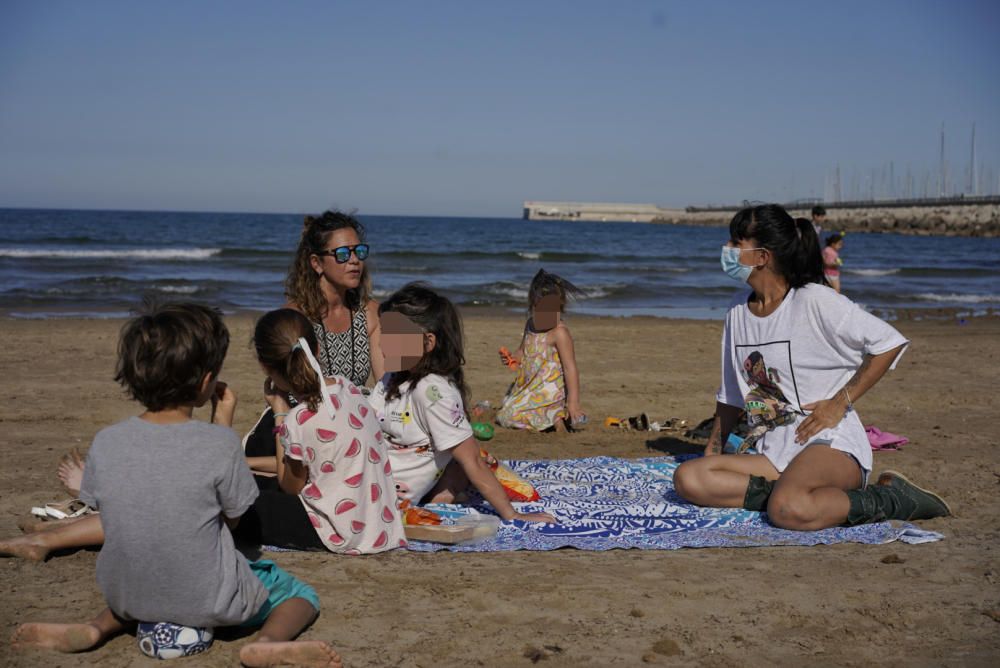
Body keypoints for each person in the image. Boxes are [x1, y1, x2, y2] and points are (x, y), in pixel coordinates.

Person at [4, 303, 339, 667]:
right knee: (297, 593)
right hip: (212, 599)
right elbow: (233, 519)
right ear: (206, 382)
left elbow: (111, 508)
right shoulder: (219, 444)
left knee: (148, 573)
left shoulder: (107, 441)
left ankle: (95, 628)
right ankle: (270, 642)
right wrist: (221, 422)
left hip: (128, 594)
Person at [673, 204, 950, 531]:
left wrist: (839, 403)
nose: (728, 251)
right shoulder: (737, 310)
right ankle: (790, 493)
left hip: (830, 445)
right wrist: (713, 450)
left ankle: (893, 498)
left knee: (788, 510)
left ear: (763, 256)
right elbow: (732, 395)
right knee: (690, 478)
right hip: (775, 454)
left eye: (737, 243)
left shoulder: (813, 300)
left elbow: (888, 343)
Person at [369, 283, 556, 523]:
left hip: (381, 493)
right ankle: (441, 497)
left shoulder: (431, 392)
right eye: (384, 333)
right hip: (375, 481)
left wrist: (512, 514)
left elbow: (472, 461)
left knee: (465, 455)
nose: (383, 343)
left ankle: (441, 497)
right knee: (461, 453)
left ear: (428, 342)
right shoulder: (392, 377)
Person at [239, 308, 406, 553]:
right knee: (256, 485)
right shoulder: (348, 387)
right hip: (379, 524)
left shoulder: (298, 419)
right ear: (317, 350)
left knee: (239, 504)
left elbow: (291, 486)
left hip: (337, 530)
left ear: (265, 367)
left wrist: (279, 411)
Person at [243, 210, 384, 462]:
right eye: (342, 254)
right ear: (316, 263)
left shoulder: (370, 313)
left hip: (356, 423)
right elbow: (290, 396)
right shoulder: (294, 319)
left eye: (358, 251)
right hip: (303, 428)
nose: (354, 261)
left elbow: (385, 387)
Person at [495, 269, 585, 432]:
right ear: (533, 306)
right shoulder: (530, 325)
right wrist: (512, 358)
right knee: (505, 414)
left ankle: (557, 416)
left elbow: (570, 368)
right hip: (530, 387)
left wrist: (573, 402)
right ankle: (551, 419)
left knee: (513, 416)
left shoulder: (559, 333)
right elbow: (523, 352)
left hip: (550, 391)